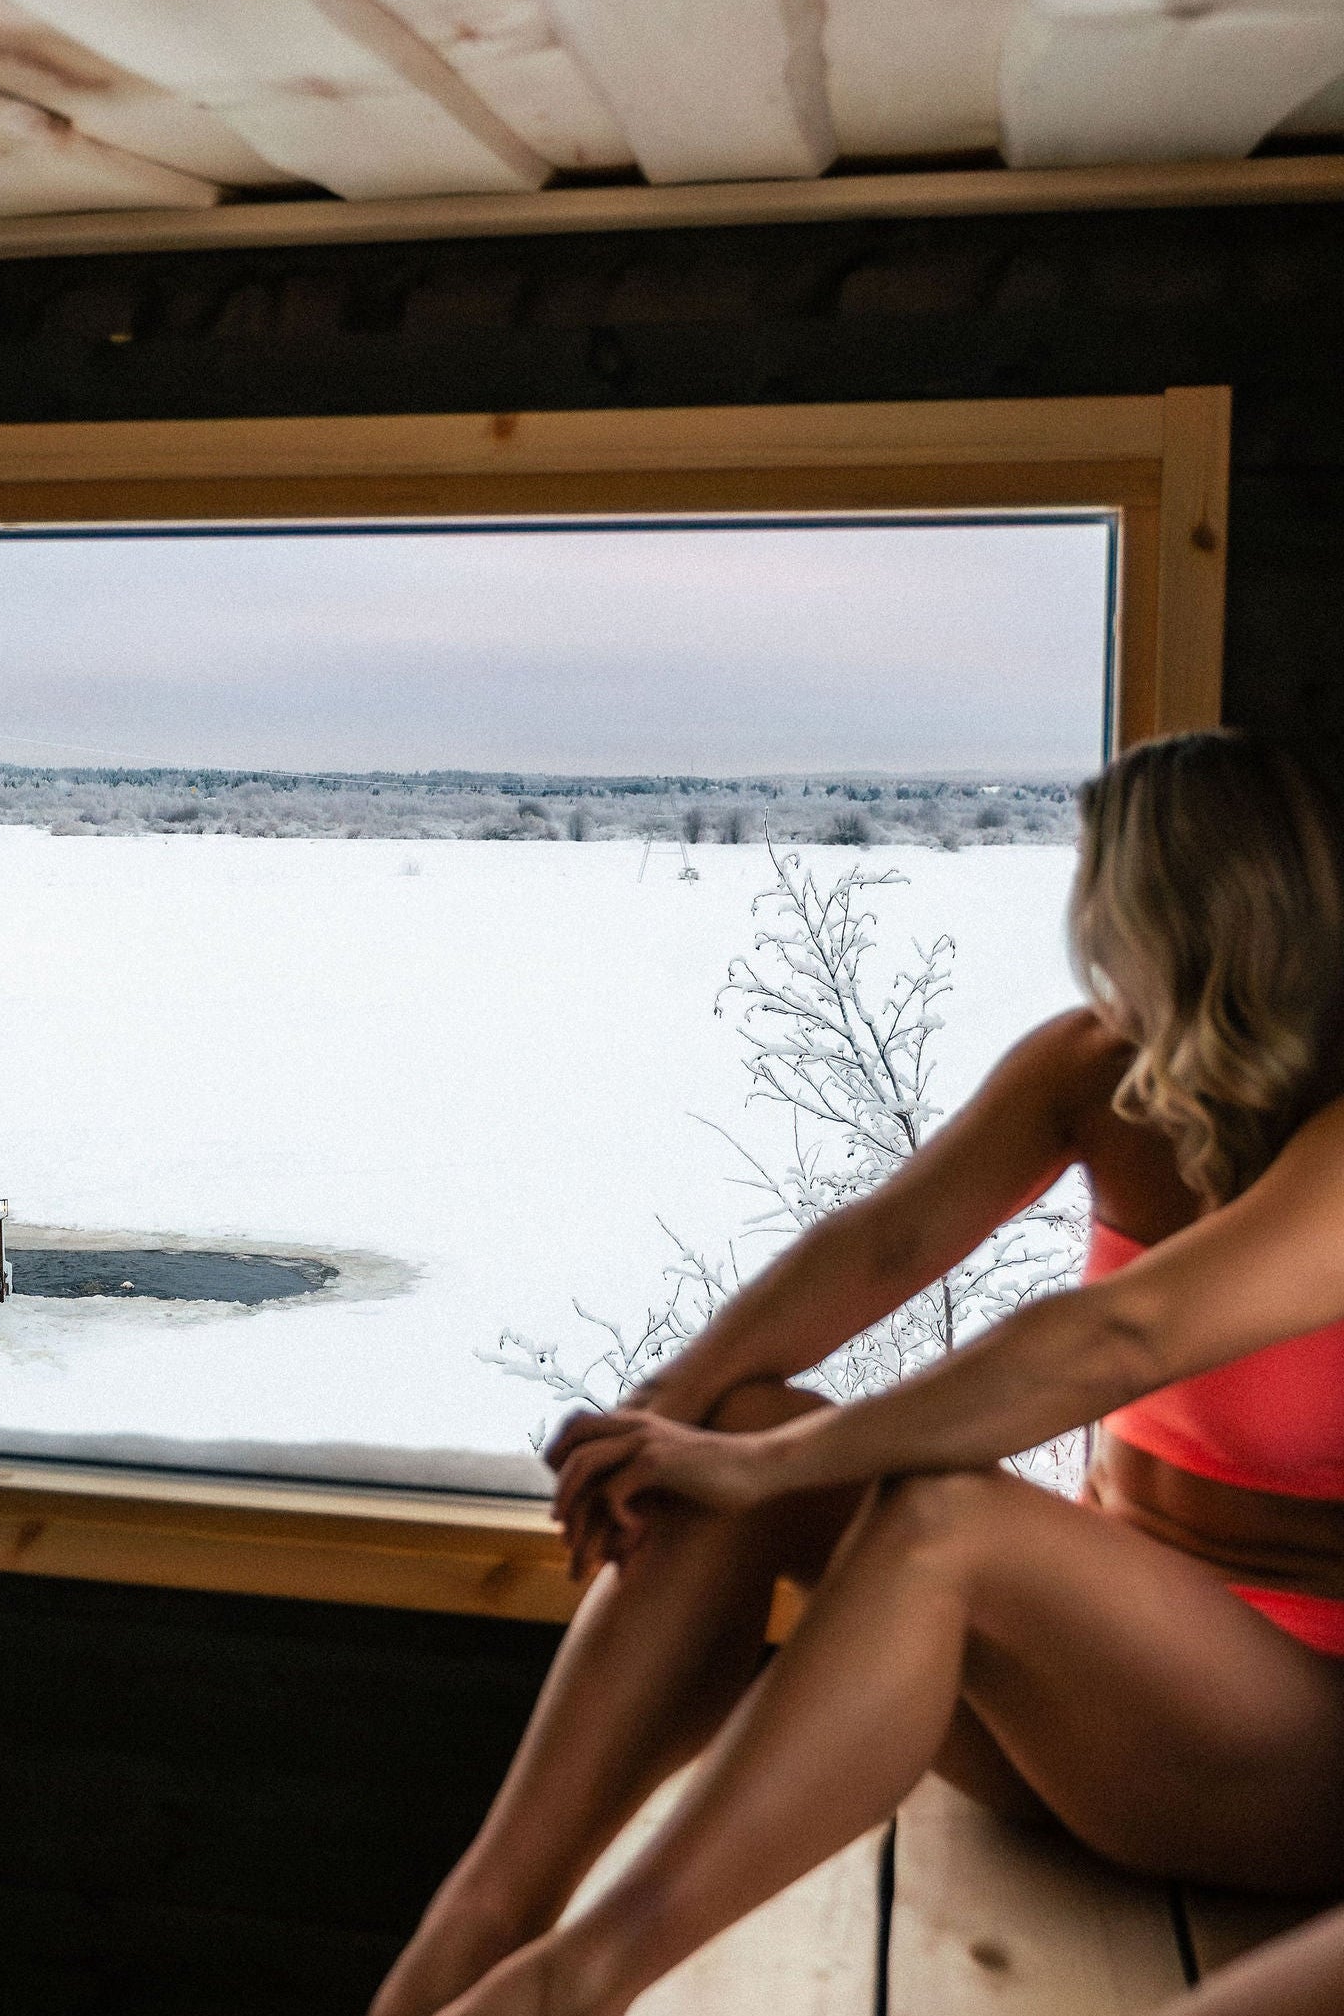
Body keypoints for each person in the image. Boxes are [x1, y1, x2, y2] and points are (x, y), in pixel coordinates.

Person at [371, 730, 1344, 2016]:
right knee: (734, 1419)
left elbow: (1114, 1338)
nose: (1090, 940)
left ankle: (576, 1983)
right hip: (1078, 1712)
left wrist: (773, 1464)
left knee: (938, 1515)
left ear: (1183, 917)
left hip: (1281, 1762)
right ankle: (484, 1919)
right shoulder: (1094, 1067)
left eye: (1103, 902)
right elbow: (879, 1243)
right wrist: (662, 1420)